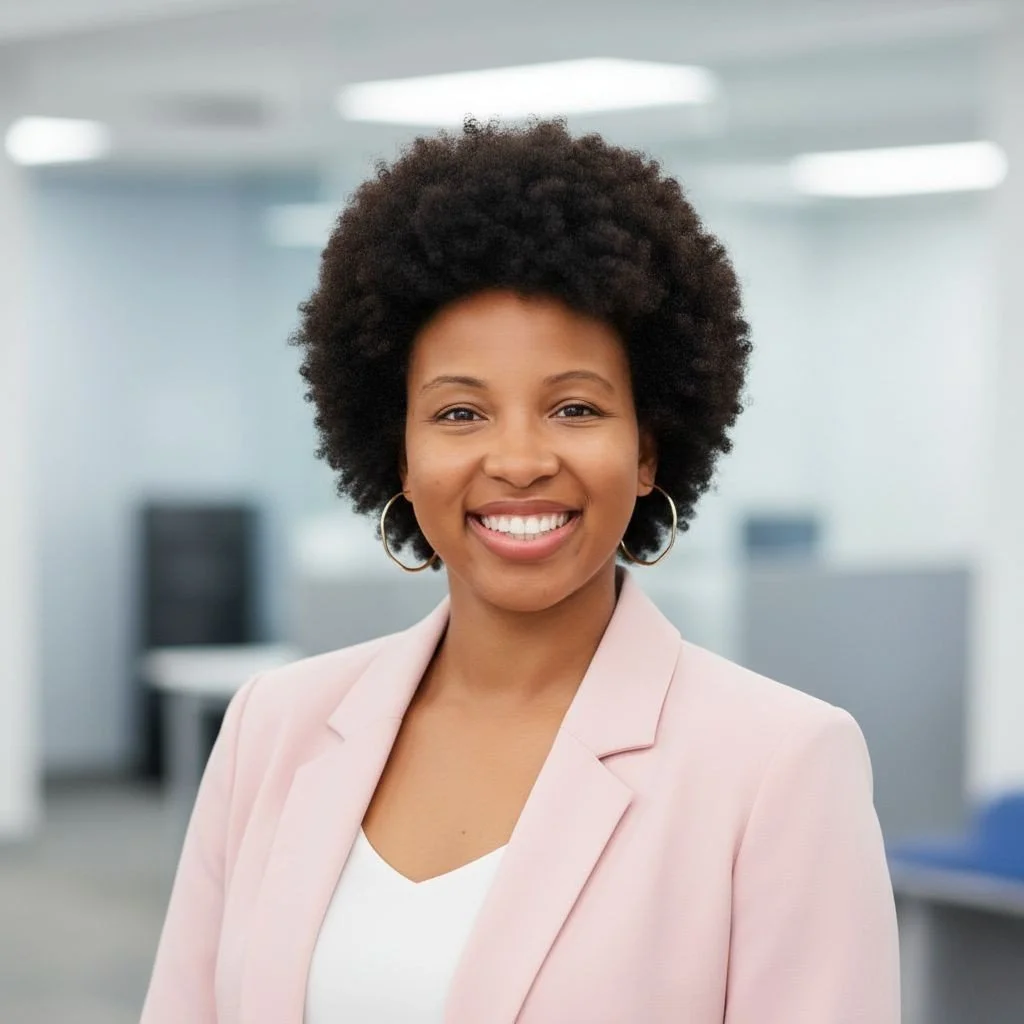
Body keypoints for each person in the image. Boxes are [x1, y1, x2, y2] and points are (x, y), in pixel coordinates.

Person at [140, 119, 900, 1024]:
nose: (520, 461)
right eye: (460, 414)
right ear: (400, 456)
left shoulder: (780, 764)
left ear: (648, 450)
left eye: (575, 408)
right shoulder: (274, 727)